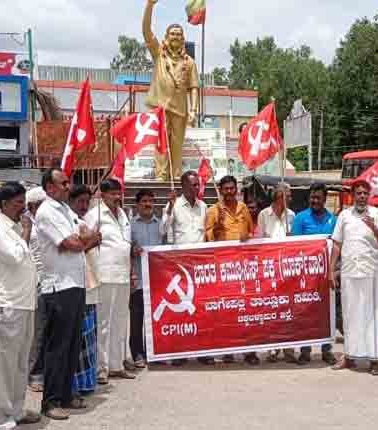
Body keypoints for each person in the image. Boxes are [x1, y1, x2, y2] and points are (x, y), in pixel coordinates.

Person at [36, 168, 100, 420]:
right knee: (57, 347)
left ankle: (65, 395)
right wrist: (79, 242)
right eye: (63, 183)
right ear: (50, 188)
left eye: (68, 182)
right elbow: (72, 243)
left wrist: (79, 242)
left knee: (73, 344)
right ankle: (50, 401)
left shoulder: (65, 210)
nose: (68, 186)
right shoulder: (46, 212)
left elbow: (92, 236)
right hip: (58, 287)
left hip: (76, 283)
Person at [0, 181, 42, 428]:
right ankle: (1, 416)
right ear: (4, 204)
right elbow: (16, 257)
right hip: (7, 305)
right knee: (5, 366)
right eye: (18, 203)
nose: (23, 208)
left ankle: (17, 410)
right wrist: (26, 233)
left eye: (23, 203)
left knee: (20, 363)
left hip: (25, 303)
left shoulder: (17, 227)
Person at [328, 180, 378, 374]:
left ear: (369, 195)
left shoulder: (377, 214)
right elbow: (337, 243)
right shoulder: (345, 215)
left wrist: (374, 227)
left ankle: (374, 360)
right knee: (350, 315)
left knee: (372, 316)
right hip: (349, 272)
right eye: (358, 193)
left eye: (365, 193)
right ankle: (350, 357)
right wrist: (331, 270)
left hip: (371, 273)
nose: (362, 196)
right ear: (353, 195)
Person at [142, 0, 199, 180]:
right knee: (160, 143)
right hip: (160, 107)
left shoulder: (189, 62)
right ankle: (161, 175)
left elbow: (194, 87)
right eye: (172, 34)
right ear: (166, 37)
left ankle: (175, 177)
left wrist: (193, 110)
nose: (175, 36)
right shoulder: (159, 54)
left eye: (178, 34)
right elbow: (146, 31)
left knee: (176, 145)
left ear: (183, 38)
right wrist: (150, 5)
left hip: (180, 110)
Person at [85, 179, 135, 381]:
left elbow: (126, 244)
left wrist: (131, 272)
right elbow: (85, 243)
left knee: (120, 321)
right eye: (112, 193)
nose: (117, 197)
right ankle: (100, 368)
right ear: (102, 195)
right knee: (103, 322)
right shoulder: (94, 215)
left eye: (118, 193)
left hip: (123, 274)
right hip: (104, 275)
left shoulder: (123, 214)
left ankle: (116, 364)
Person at [161, 171, 208, 365]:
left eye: (198, 185)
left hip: (200, 265)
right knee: (180, 312)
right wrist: (170, 208)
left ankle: (203, 351)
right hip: (179, 267)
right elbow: (162, 231)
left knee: (201, 311)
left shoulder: (204, 206)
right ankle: (179, 352)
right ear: (183, 186)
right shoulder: (173, 205)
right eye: (193, 185)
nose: (197, 188)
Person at [204, 175, 253, 364]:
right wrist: (216, 226)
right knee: (226, 310)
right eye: (226, 189)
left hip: (242, 267)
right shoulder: (214, 210)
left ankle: (249, 350)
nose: (230, 192)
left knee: (245, 308)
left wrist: (245, 237)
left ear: (237, 189)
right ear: (221, 190)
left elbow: (250, 230)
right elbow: (207, 238)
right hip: (223, 268)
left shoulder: (243, 208)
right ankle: (227, 349)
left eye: (232, 188)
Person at [291, 183, 338, 365]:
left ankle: (327, 350)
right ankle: (305, 351)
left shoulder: (333, 220)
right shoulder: (300, 218)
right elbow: (294, 247)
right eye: (312, 197)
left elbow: (336, 245)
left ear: (325, 199)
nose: (315, 201)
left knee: (328, 313)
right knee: (306, 314)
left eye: (318, 198)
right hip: (306, 276)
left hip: (327, 275)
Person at [257, 183, 296, 364]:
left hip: (287, 270)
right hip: (269, 269)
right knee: (271, 308)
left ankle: (288, 349)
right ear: (279, 197)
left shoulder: (292, 216)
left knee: (288, 309)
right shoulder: (264, 215)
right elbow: (258, 243)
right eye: (288, 196)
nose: (291, 199)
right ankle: (272, 349)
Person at [68, 184, 100, 395]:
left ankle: (88, 383)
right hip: (76, 285)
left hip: (90, 284)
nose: (84, 206)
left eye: (87, 202)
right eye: (80, 201)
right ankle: (75, 386)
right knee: (78, 340)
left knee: (89, 338)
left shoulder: (83, 221)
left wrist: (93, 238)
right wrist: (92, 240)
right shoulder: (68, 222)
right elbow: (75, 248)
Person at [130, 189, 164, 367]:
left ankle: (154, 352)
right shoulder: (130, 225)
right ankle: (137, 354)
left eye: (150, 201)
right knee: (137, 319)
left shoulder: (161, 225)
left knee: (155, 318)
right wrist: (131, 250)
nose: (147, 204)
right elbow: (124, 248)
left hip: (157, 280)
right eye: (144, 201)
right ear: (137, 204)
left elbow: (167, 248)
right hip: (138, 279)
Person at [26, 187, 48, 392]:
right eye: (41, 204)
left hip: (52, 280)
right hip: (37, 281)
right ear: (32, 207)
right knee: (38, 331)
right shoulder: (26, 226)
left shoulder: (48, 222)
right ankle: (34, 373)